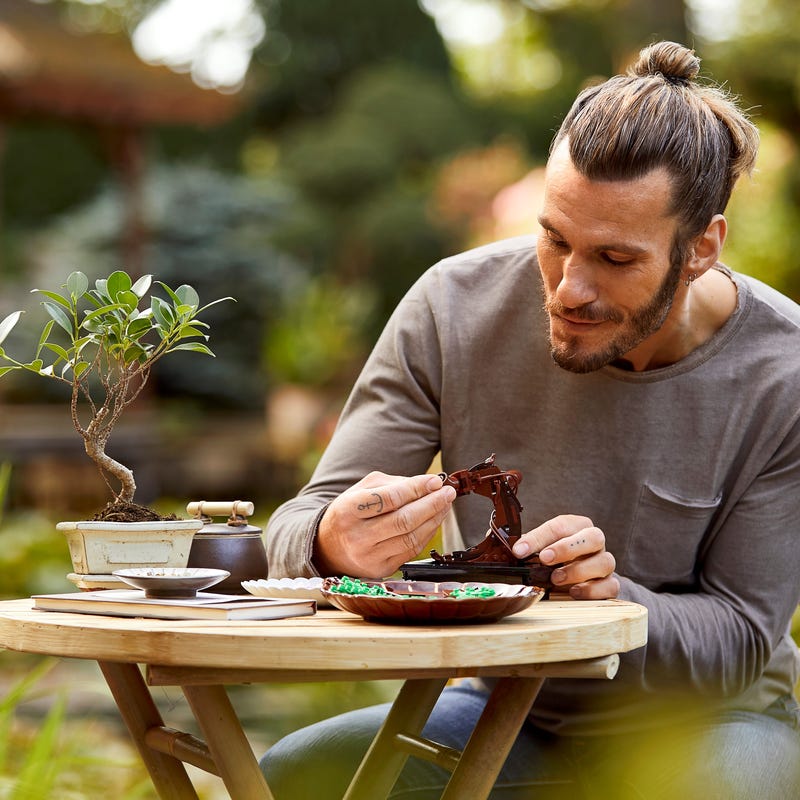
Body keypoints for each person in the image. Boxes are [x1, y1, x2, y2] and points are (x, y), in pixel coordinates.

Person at [260, 41, 800, 799]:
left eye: (614, 258)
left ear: (702, 247)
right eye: (554, 239)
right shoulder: (452, 308)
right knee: (294, 774)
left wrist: (613, 601)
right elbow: (294, 528)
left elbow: (741, 640)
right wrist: (330, 542)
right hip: (499, 706)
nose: (568, 289)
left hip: (712, 724)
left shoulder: (785, 374)